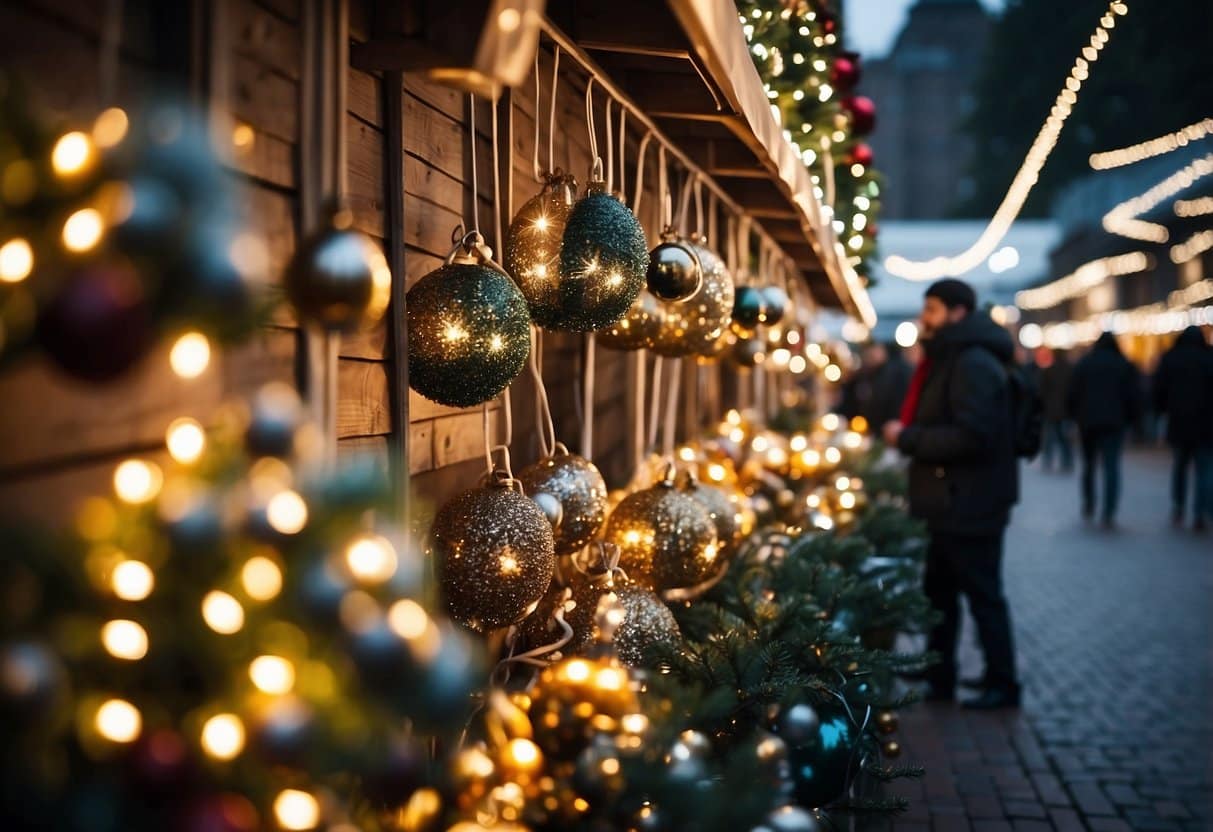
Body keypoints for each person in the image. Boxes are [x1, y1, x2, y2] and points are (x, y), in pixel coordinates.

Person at [883, 279, 1020, 710]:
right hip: (949, 499)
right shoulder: (953, 356)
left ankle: (1003, 682)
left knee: (982, 593)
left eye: (934, 310)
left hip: (971, 500)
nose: (925, 318)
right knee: (939, 590)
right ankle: (940, 672)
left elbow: (973, 435)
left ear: (958, 312)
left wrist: (909, 438)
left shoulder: (972, 362)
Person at [1067, 332, 1142, 528]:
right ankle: (1109, 510)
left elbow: (1073, 393)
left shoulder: (1085, 364)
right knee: (1111, 467)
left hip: (1088, 422)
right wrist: (1133, 422)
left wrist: (1074, 417)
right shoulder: (1123, 364)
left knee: (1089, 465)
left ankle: (1089, 503)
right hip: (1114, 423)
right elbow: (1133, 396)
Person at [1153, 326, 1213, 531]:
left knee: (1180, 467)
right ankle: (1200, 512)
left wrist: (1161, 412)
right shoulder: (1208, 359)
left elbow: (1159, 390)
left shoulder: (1171, 359)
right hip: (1206, 424)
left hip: (1179, 422)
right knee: (1204, 470)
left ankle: (1179, 507)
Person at [1037, 347, 1074, 472]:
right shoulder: (1070, 370)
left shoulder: (1049, 370)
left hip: (1051, 410)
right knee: (1064, 438)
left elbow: (1042, 391)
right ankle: (1067, 462)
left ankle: (1048, 461)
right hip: (1066, 410)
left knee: (1050, 438)